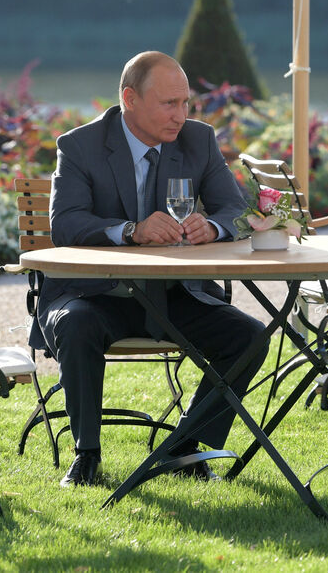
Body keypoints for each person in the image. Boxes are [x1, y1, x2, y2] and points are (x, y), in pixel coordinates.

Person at [29, 51, 266, 487]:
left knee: (249, 338)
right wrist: (130, 230)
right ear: (129, 99)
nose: (180, 116)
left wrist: (211, 227)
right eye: (169, 104)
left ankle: (184, 447)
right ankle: (87, 456)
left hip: (171, 295)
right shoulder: (80, 146)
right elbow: (65, 224)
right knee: (77, 325)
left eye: (185, 103)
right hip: (93, 295)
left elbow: (237, 209)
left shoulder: (198, 140)